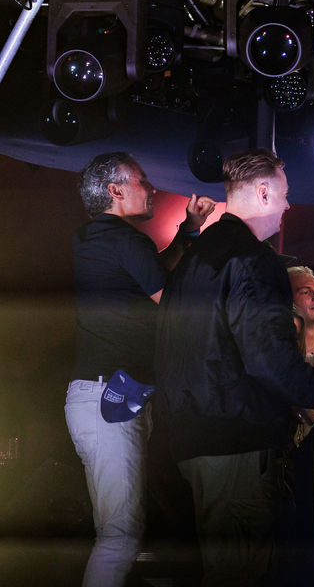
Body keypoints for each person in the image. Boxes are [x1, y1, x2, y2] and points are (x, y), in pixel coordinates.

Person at [154, 149, 314, 586]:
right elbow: (267, 354)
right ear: (262, 191)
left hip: (192, 441)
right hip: (235, 443)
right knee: (243, 573)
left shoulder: (193, 262)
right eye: (285, 194)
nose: (289, 206)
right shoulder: (253, 259)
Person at [65, 152, 214, 587]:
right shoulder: (127, 241)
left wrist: (188, 231)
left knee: (118, 529)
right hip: (108, 397)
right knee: (120, 535)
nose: (150, 188)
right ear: (115, 190)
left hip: (106, 396)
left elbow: (148, 274)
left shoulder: (95, 238)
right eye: (141, 180)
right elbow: (172, 306)